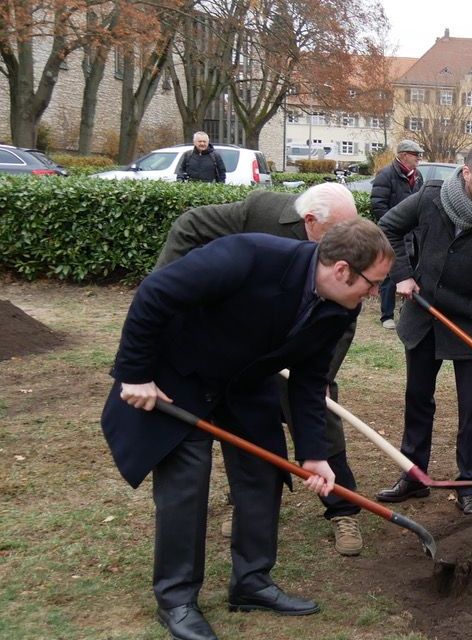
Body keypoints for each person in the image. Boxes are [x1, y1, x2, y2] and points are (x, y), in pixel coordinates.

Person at [101, 219, 393, 640]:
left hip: (245, 383)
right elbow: (156, 292)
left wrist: (314, 453)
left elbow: (311, 381)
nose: (373, 294)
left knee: (262, 475)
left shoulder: (338, 306)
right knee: (187, 485)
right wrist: (134, 373)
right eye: (372, 283)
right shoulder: (249, 256)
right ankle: (177, 598)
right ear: (342, 269)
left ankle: (252, 582)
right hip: (182, 377)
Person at [155, 183, 366, 556]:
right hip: (249, 347)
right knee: (248, 430)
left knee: (318, 418)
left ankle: (342, 509)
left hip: (305, 346)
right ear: (311, 221)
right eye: (338, 232)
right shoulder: (261, 212)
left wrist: (321, 373)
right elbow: (190, 225)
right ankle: (244, 503)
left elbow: (344, 323)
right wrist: (170, 289)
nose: (348, 242)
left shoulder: (349, 253)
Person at [375, 141, 472, 515]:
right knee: (418, 398)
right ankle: (413, 475)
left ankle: (469, 484)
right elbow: (388, 227)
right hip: (425, 317)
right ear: (467, 173)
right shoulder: (430, 198)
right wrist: (403, 276)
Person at [370, 140, 426, 329]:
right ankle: (387, 316)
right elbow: (377, 204)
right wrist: (395, 224)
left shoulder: (418, 177)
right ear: (403, 155)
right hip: (392, 234)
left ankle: (406, 312)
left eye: (419, 154)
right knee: (390, 274)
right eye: (415, 154)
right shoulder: (385, 175)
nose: (419, 158)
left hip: (413, 235)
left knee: (412, 272)